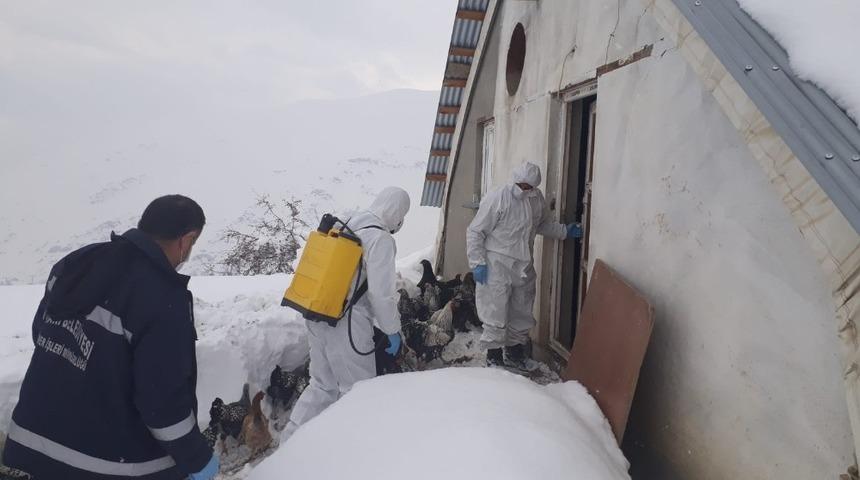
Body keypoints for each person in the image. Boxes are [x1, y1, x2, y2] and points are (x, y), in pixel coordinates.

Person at [2, 195, 219, 480]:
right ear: (186, 240)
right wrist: (198, 460)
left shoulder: (77, 262)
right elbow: (162, 404)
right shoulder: (162, 299)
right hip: (103, 465)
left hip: (27, 446)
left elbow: (43, 334)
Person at [283, 187, 410, 439]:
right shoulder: (380, 238)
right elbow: (381, 294)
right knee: (358, 391)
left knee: (322, 385)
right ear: (397, 213)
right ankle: (351, 452)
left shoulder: (346, 222)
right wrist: (392, 331)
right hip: (348, 322)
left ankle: (289, 442)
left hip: (317, 312)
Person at [466, 162, 582, 369]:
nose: (525, 190)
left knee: (522, 310)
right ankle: (494, 357)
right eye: (522, 186)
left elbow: (543, 225)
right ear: (515, 181)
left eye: (530, 187)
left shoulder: (536, 199)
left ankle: (515, 353)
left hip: (524, 264)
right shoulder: (498, 197)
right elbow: (476, 231)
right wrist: (478, 263)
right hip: (497, 263)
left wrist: (565, 231)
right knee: (495, 311)